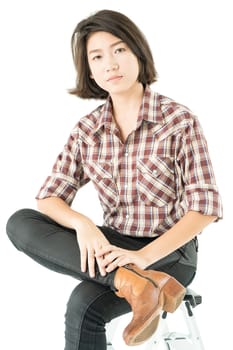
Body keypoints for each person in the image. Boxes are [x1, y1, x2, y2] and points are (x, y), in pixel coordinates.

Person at [6, 9, 223, 350]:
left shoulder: (179, 121)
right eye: (98, 56)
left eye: (119, 50)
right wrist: (84, 226)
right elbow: (49, 198)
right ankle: (137, 284)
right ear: (89, 70)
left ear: (138, 52)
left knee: (83, 304)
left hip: (170, 252)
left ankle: (145, 280)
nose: (111, 64)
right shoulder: (87, 130)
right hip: (115, 247)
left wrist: (144, 257)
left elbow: (205, 209)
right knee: (20, 223)